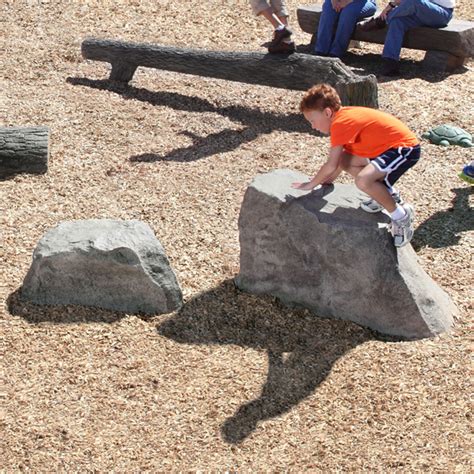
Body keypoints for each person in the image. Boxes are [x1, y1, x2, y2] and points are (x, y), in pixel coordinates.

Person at [291, 84, 421, 248]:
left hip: (404, 149)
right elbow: (338, 162)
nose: (313, 126)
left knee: (363, 181)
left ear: (327, 112)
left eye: (312, 120)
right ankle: (387, 195)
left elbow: (330, 164)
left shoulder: (341, 123)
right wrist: (326, 181)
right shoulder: (342, 117)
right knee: (347, 160)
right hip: (387, 150)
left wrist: (311, 184)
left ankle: (401, 216)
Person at [359, 0, 455, 75]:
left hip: (442, 13)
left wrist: (390, 9)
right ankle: (390, 63)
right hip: (422, 11)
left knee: (414, 1)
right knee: (397, 22)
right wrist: (391, 5)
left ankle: (380, 21)